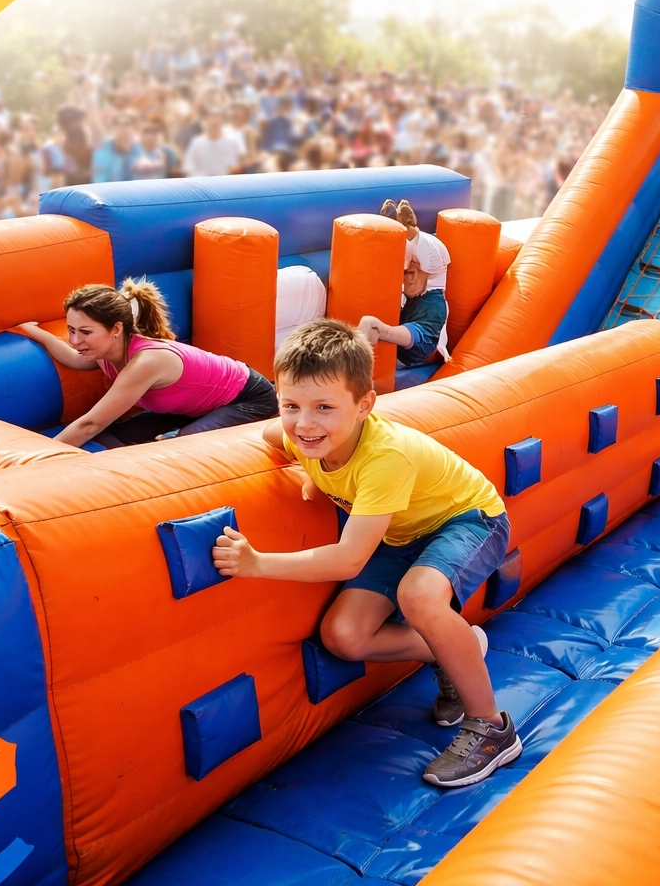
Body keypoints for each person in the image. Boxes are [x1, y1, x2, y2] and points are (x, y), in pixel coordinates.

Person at [210, 318, 520, 788]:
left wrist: (257, 563)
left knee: (418, 597)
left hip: (468, 518)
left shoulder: (385, 457)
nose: (305, 422)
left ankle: (492, 729)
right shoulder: (301, 434)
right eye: (291, 404)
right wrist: (312, 474)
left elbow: (348, 560)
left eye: (324, 407)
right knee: (344, 637)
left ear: (364, 405)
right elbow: (271, 439)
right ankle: (456, 649)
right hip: (399, 534)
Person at [14, 280, 278, 447]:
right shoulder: (107, 351)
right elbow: (71, 358)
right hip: (190, 408)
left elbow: (89, 424)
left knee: (177, 447)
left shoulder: (146, 361)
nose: (74, 340)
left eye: (85, 332)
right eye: (71, 330)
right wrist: (34, 331)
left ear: (116, 329)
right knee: (110, 436)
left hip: (248, 398)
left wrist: (44, 457)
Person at [357, 200, 453, 382]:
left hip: (419, 358)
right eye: (404, 273)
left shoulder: (434, 303)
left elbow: (420, 342)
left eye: (411, 273)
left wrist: (383, 331)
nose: (407, 279)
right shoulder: (401, 291)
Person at [183, 108, 245, 177]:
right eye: (211, 115)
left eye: (217, 115)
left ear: (223, 119)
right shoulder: (196, 143)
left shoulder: (232, 142)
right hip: (203, 184)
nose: (214, 119)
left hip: (227, 184)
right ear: (205, 120)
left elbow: (238, 166)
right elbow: (189, 169)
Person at [90, 112, 138, 184]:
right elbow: (99, 180)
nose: (124, 129)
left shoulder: (138, 149)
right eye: (120, 125)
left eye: (127, 125)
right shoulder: (102, 150)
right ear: (114, 128)